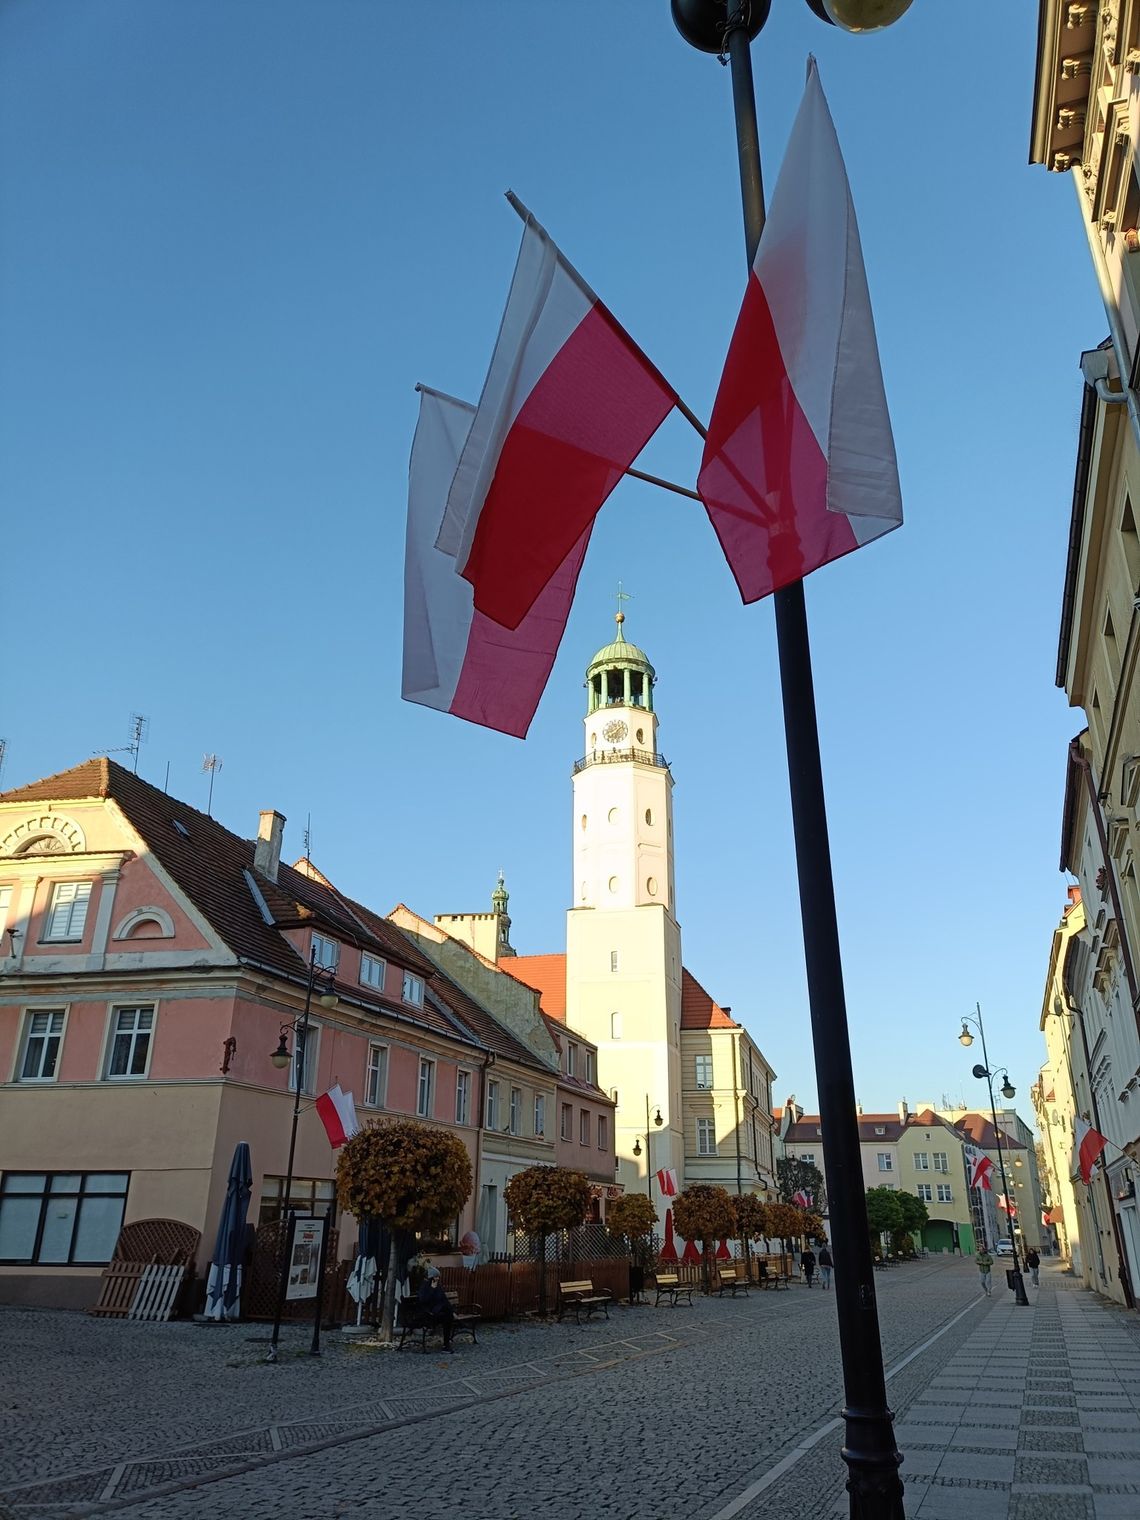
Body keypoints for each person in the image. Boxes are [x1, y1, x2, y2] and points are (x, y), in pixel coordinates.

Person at [416, 1265, 455, 1349]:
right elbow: (424, 1300)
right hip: (428, 1314)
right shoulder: (424, 1286)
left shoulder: (438, 1286)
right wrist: (432, 1289)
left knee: (448, 1316)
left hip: (438, 1312)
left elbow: (444, 1299)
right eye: (435, 1277)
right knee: (447, 1315)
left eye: (438, 1277)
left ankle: (446, 1344)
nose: (437, 1279)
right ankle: (446, 1344)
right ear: (431, 1277)